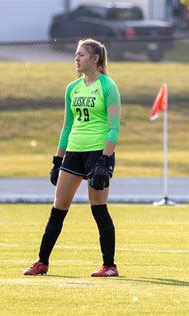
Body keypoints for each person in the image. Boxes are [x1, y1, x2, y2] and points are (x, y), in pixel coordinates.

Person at [23, 38, 121, 277]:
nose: (76, 59)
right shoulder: (72, 88)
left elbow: (114, 127)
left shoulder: (108, 86)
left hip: (98, 152)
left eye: (81, 55)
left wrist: (104, 160)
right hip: (74, 152)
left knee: (98, 207)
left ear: (95, 59)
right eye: (76, 55)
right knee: (59, 206)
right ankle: (42, 262)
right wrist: (58, 160)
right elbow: (67, 126)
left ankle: (109, 265)